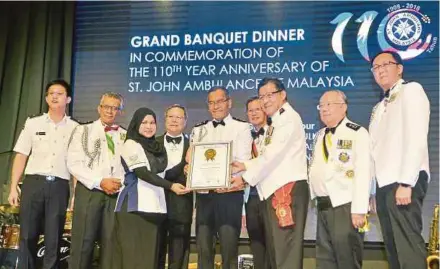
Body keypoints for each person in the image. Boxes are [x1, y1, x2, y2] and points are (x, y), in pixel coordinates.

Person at [230, 78, 309, 269]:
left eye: (269, 95)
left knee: (286, 254)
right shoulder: (276, 121)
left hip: (286, 192)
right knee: (276, 254)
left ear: (282, 95)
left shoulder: (288, 118)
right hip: (274, 192)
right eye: (261, 96)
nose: (265, 100)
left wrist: (244, 179)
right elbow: (266, 155)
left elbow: (272, 156)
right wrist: (245, 165)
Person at [8, 79, 79, 269]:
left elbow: (76, 165)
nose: (55, 96)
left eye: (60, 93)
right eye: (51, 93)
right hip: (33, 183)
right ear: (47, 98)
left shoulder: (76, 128)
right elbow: (21, 155)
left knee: (54, 236)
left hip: (59, 186)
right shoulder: (33, 123)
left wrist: (75, 194)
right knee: (27, 234)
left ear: (69, 99)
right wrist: (13, 186)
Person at [369, 51, 430, 269]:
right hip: (384, 185)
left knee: (407, 247)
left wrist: (406, 182)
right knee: (393, 249)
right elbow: (374, 151)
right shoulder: (378, 108)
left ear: (400, 68)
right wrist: (373, 191)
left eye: (386, 64)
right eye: (376, 67)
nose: (381, 70)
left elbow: (416, 137)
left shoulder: (411, 90)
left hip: (404, 181)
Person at [113, 107, 188, 269]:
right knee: (135, 260)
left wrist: (188, 162)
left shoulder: (155, 147)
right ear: (136, 124)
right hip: (135, 208)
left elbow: (164, 174)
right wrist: (172, 186)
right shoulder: (131, 144)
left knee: (149, 261)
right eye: (144, 122)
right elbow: (143, 173)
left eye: (152, 122)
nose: (149, 126)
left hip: (155, 209)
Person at [188, 86, 252, 269]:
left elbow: (243, 161)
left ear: (229, 103)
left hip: (229, 195)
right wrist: (190, 168)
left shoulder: (242, 128)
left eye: (220, 101)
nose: (215, 106)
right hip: (204, 196)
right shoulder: (198, 130)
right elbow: (193, 158)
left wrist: (221, 176)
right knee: (203, 249)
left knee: (229, 249)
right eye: (211, 102)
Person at [309, 90, 371, 269]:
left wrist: (359, 210)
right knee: (325, 261)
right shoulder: (320, 135)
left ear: (344, 107)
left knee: (347, 260)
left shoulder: (357, 133)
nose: (324, 109)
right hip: (323, 206)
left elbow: (364, 172)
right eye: (321, 105)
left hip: (346, 207)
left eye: (330, 104)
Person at [67, 92, 126, 269]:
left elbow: (129, 166)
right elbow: (74, 163)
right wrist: (100, 181)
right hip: (89, 192)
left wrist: (118, 183)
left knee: (111, 245)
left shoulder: (125, 134)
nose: (110, 111)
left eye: (115, 108)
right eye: (107, 107)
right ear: (99, 108)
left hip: (115, 195)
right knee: (83, 244)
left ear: (120, 112)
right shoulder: (82, 130)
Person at [157, 104, 193, 269]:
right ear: (165, 120)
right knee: (154, 249)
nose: (174, 120)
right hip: (155, 203)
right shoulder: (152, 144)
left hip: (182, 203)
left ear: (185, 121)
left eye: (179, 117)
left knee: (179, 252)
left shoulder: (195, 146)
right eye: (171, 116)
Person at [244, 96, 271, 269]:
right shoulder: (243, 135)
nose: (254, 113)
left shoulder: (276, 132)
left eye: (258, 109)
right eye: (250, 110)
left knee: (274, 243)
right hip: (250, 197)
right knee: (256, 243)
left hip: (270, 196)